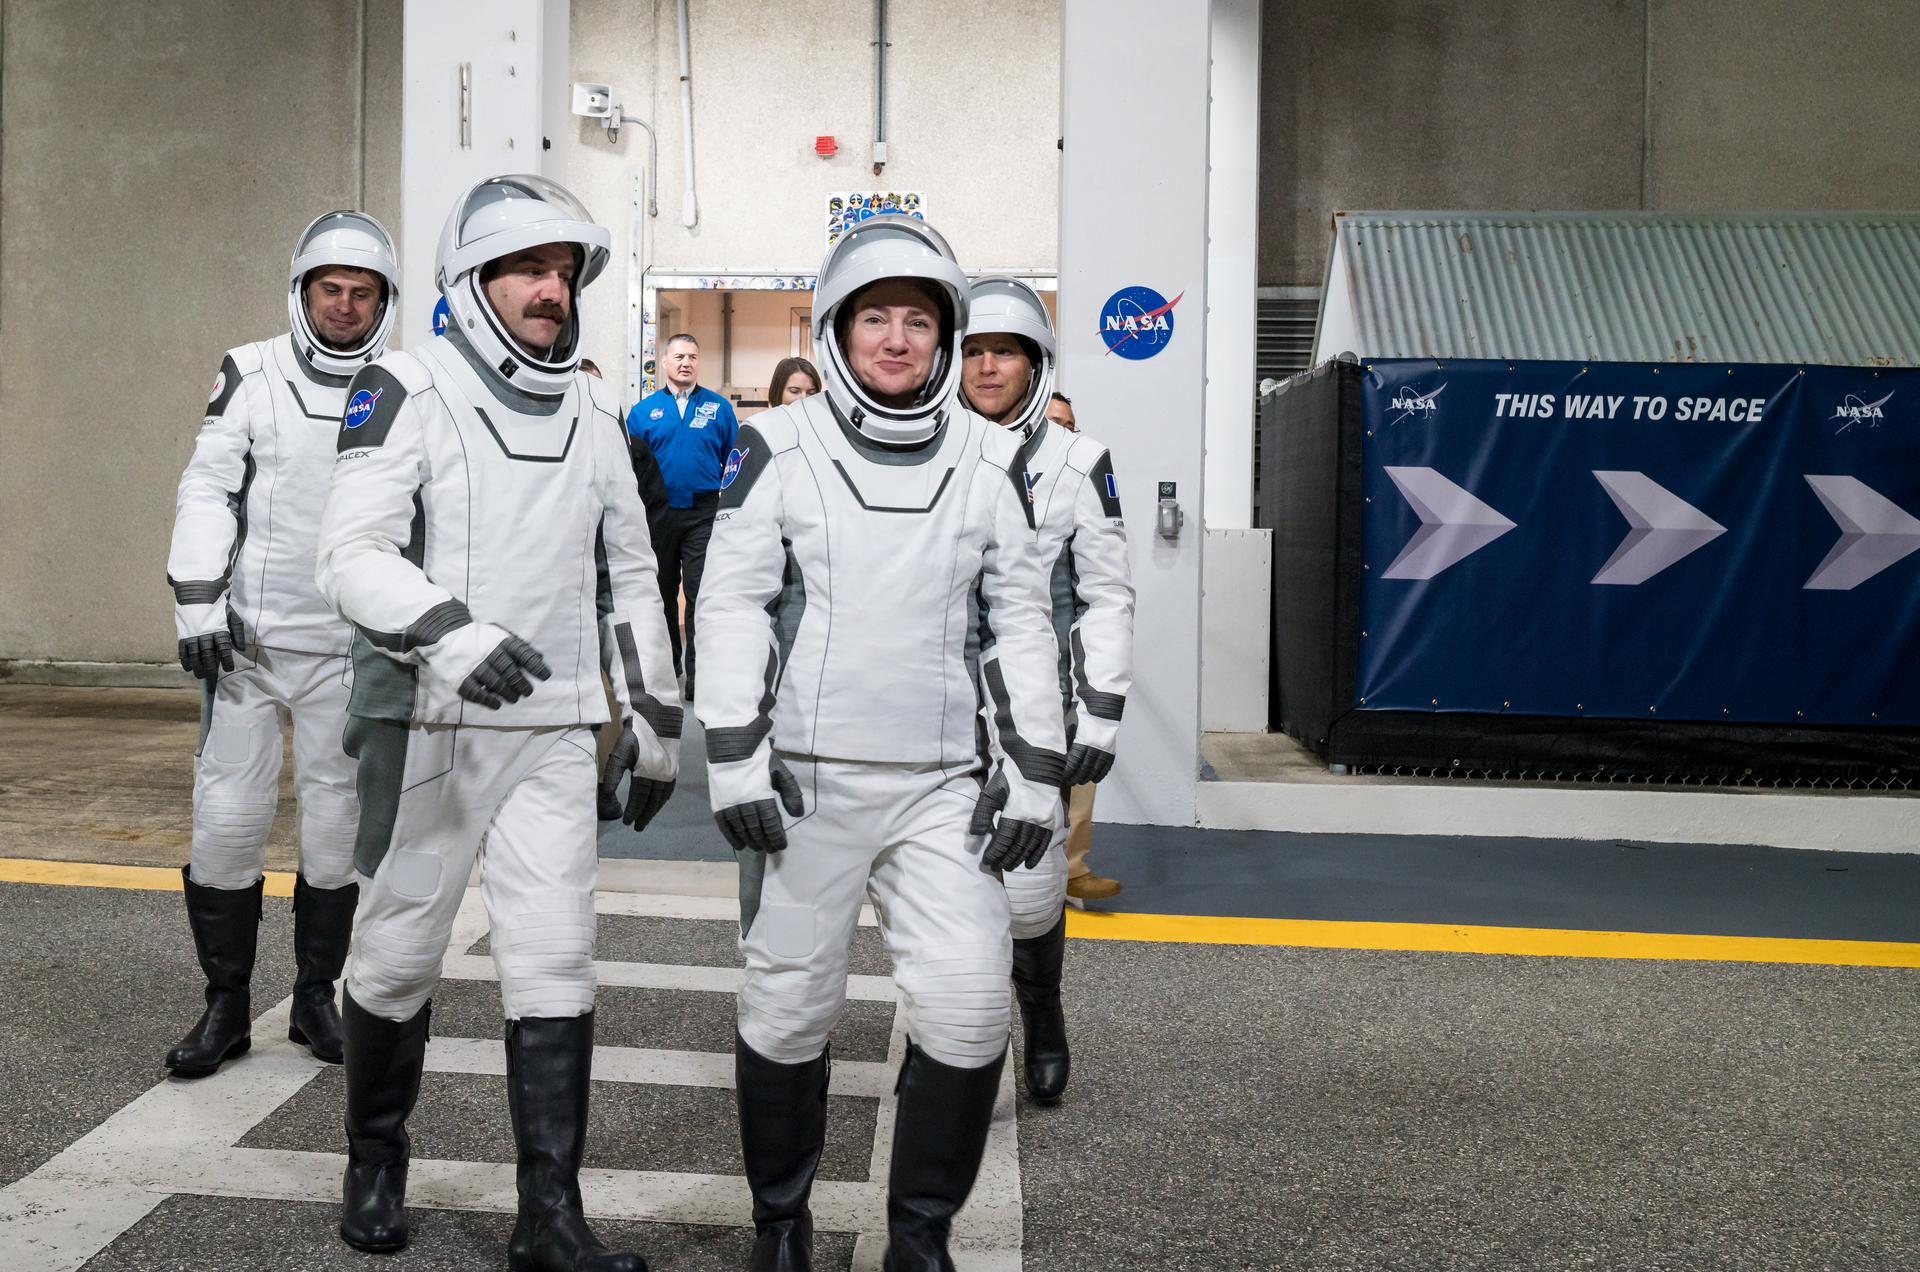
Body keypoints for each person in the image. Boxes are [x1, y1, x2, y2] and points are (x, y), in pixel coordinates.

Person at [316, 174, 679, 1271]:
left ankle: (550, 1217)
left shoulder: (599, 412)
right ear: (471, 283)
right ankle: (375, 1159)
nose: (550, 291)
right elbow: (351, 556)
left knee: (557, 963)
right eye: (527, 268)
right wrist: (454, 635)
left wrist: (655, 721)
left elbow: (629, 572)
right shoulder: (403, 386)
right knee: (392, 957)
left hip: (556, 733)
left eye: (563, 271)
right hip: (428, 725)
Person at [698, 215, 1065, 1272]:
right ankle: (781, 1225)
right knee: (788, 1004)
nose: (897, 339)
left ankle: (919, 1240)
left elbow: (1022, 623)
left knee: (964, 1009)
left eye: (918, 320)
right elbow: (730, 606)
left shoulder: (995, 460)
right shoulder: (774, 446)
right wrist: (733, 752)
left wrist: (1033, 772)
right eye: (875, 319)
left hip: (946, 791)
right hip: (805, 787)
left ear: (946, 338)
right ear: (838, 332)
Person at [162, 210, 399, 1078]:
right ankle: (224, 1006)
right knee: (226, 822)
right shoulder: (250, 371)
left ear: (384, 301)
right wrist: (198, 601)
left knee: (337, 832)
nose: (343, 305)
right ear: (302, 291)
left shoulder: (404, 383)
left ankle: (313, 998)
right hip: (249, 648)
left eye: (360, 292)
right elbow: (208, 486)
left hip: (352, 647)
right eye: (329, 289)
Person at [959, 280, 1134, 1106]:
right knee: (948, 879)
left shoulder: (1079, 460)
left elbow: (1106, 594)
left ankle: (1044, 1007)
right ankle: (959, 1040)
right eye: (973, 350)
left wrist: (1101, 705)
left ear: (1036, 363)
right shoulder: (930, 445)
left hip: (1039, 711)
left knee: (1031, 893)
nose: (987, 366)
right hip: (943, 706)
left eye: (1005, 352)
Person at [626, 333, 739, 700]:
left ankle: (698, 676)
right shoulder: (643, 413)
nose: (685, 362)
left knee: (699, 593)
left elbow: (733, 462)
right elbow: (631, 467)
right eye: (678, 356)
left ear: (698, 362)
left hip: (703, 513)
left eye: (692, 356)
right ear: (664, 362)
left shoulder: (719, 409)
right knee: (661, 593)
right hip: (657, 515)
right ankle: (668, 669)